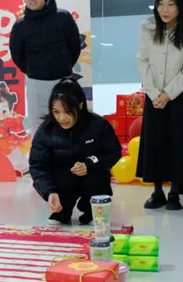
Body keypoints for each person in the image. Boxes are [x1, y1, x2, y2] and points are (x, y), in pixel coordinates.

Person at [137, 0, 183, 211]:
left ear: (180, 5)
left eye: (171, 4)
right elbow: (142, 61)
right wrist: (155, 93)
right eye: (160, 4)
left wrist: (168, 94)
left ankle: (174, 192)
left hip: (180, 96)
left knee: (178, 144)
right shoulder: (147, 26)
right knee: (155, 143)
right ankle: (157, 192)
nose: (164, 10)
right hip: (153, 95)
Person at [28, 78, 121, 225]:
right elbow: (38, 166)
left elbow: (113, 152)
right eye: (56, 112)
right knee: (62, 179)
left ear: (80, 105)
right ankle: (62, 210)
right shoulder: (45, 131)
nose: (62, 118)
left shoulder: (98, 125)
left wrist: (89, 164)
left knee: (96, 178)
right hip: (63, 179)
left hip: (92, 175)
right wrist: (49, 192)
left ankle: (92, 212)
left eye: (68, 111)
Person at [10, 0, 81, 135]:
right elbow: (17, 55)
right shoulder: (20, 25)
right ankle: (40, 153)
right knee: (38, 127)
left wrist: (63, 66)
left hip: (63, 80)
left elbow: (74, 46)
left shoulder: (63, 17)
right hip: (36, 83)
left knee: (67, 123)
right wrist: (32, 70)